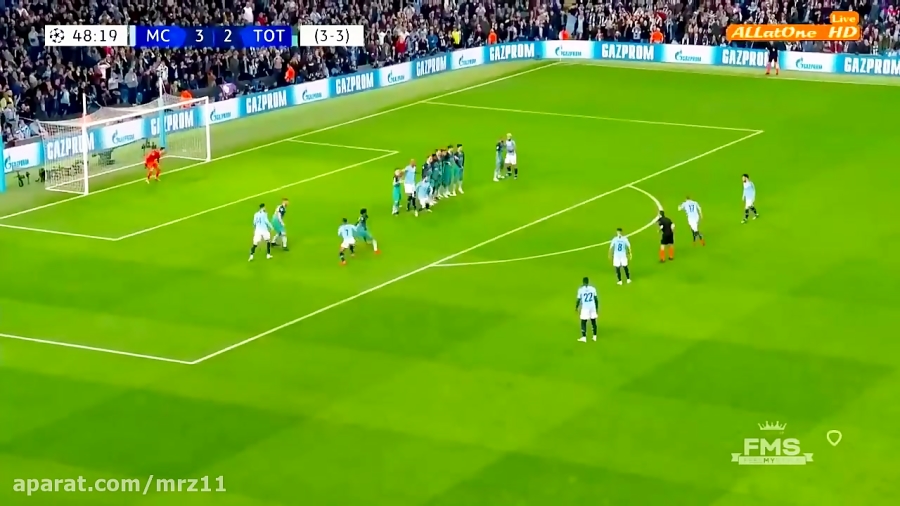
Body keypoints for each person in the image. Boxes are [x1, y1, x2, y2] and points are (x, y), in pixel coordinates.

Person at [575, 277, 599, 342]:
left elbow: (578, 300)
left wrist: (576, 307)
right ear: (588, 282)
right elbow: (596, 299)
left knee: (583, 322)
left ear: (583, 282)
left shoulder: (581, 290)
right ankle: (594, 337)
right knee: (593, 321)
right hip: (592, 307)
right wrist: (596, 308)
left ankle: (584, 338)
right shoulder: (593, 288)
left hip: (585, 308)